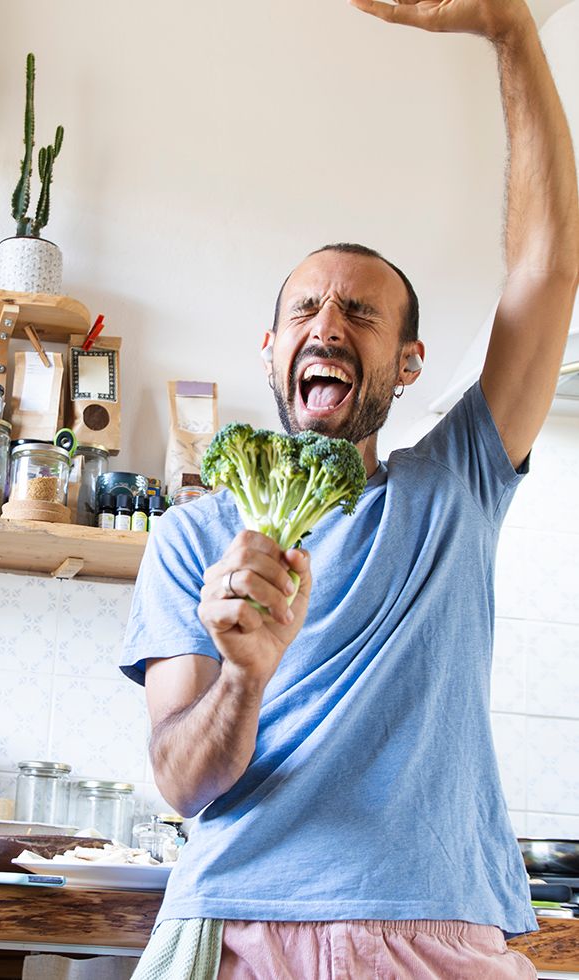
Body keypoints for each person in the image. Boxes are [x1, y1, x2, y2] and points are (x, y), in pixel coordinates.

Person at [120, 0, 579, 976]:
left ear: (406, 362)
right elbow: (179, 778)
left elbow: (545, 268)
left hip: (432, 925)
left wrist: (509, 30)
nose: (326, 319)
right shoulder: (192, 538)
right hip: (234, 922)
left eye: (359, 311)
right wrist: (242, 672)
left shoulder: (452, 488)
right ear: (271, 346)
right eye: (302, 307)